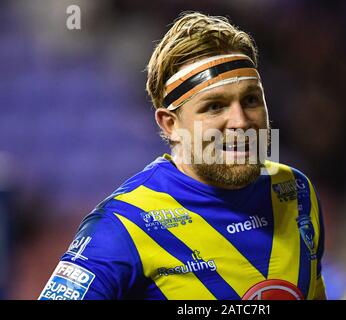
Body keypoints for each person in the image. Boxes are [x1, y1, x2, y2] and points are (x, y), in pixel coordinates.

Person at [38, 11, 326, 300]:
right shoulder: (124, 224)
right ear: (170, 124)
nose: (241, 121)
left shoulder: (294, 191)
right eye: (215, 106)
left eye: (251, 99)